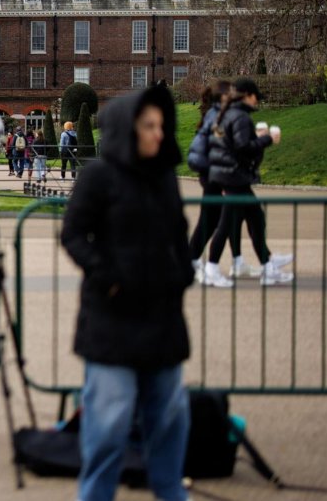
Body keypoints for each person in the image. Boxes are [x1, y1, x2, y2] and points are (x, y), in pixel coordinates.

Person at [61, 86, 194, 501]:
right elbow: (72, 234)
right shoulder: (99, 175)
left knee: (170, 418)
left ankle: (170, 490)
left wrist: (181, 274)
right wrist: (108, 277)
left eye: (160, 125)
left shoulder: (164, 177)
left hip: (162, 316)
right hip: (112, 319)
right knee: (110, 422)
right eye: (148, 126)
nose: (159, 133)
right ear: (127, 129)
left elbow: (178, 232)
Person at [202, 78, 293, 287]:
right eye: (256, 97)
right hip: (234, 176)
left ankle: (267, 265)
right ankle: (212, 267)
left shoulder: (226, 112)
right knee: (228, 223)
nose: (257, 102)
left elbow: (226, 144)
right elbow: (243, 147)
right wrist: (267, 139)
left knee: (256, 219)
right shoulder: (240, 117)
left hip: (226, 174)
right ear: (249, 96)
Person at [186, 81, 245, 281]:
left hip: (211, 172)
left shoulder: (216, 114)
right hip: (212, 172)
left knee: (210, 220)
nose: (234, 94)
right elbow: (213, 144)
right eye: (231, 92)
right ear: (222, 97)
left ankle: (191, 260)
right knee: (215, 219)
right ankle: (198, 263)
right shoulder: (217, 116)